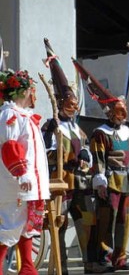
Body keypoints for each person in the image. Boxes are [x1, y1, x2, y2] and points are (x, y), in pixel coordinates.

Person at [41, 39, 101, 274]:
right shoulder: (50, 126)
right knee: (61, 224)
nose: (73, 108)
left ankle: (89, 263)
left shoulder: (78, 128)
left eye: (75, 105)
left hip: (81, 184)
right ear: (59, 102)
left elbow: (85, 147)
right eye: (69, 104)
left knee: (87, 223)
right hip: (62, 182)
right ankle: (61, 267)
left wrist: (85, 154)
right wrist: (66, 155)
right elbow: (46, 153)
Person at [73, 58, 129, 271]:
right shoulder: (100, 133)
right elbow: (98, 159)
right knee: (107, 219)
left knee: (124, 221)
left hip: (125, 179)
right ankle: (104, 256)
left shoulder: (126, 131)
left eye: (123, 111)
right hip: (110, 181)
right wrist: (100, 182)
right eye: (118, 111)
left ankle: (121, 257)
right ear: (110, 112)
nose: (122, 115)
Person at [0, 69, 50, 274]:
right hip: (16, 187)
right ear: (25, 91)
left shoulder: (24, 116)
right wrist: (22, 173)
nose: (34, 94)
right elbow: (10, 147)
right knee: (9, 229)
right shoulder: (10, 115)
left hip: (29, 187)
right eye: (32, 89)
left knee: (27, 228)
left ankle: (28, 268)